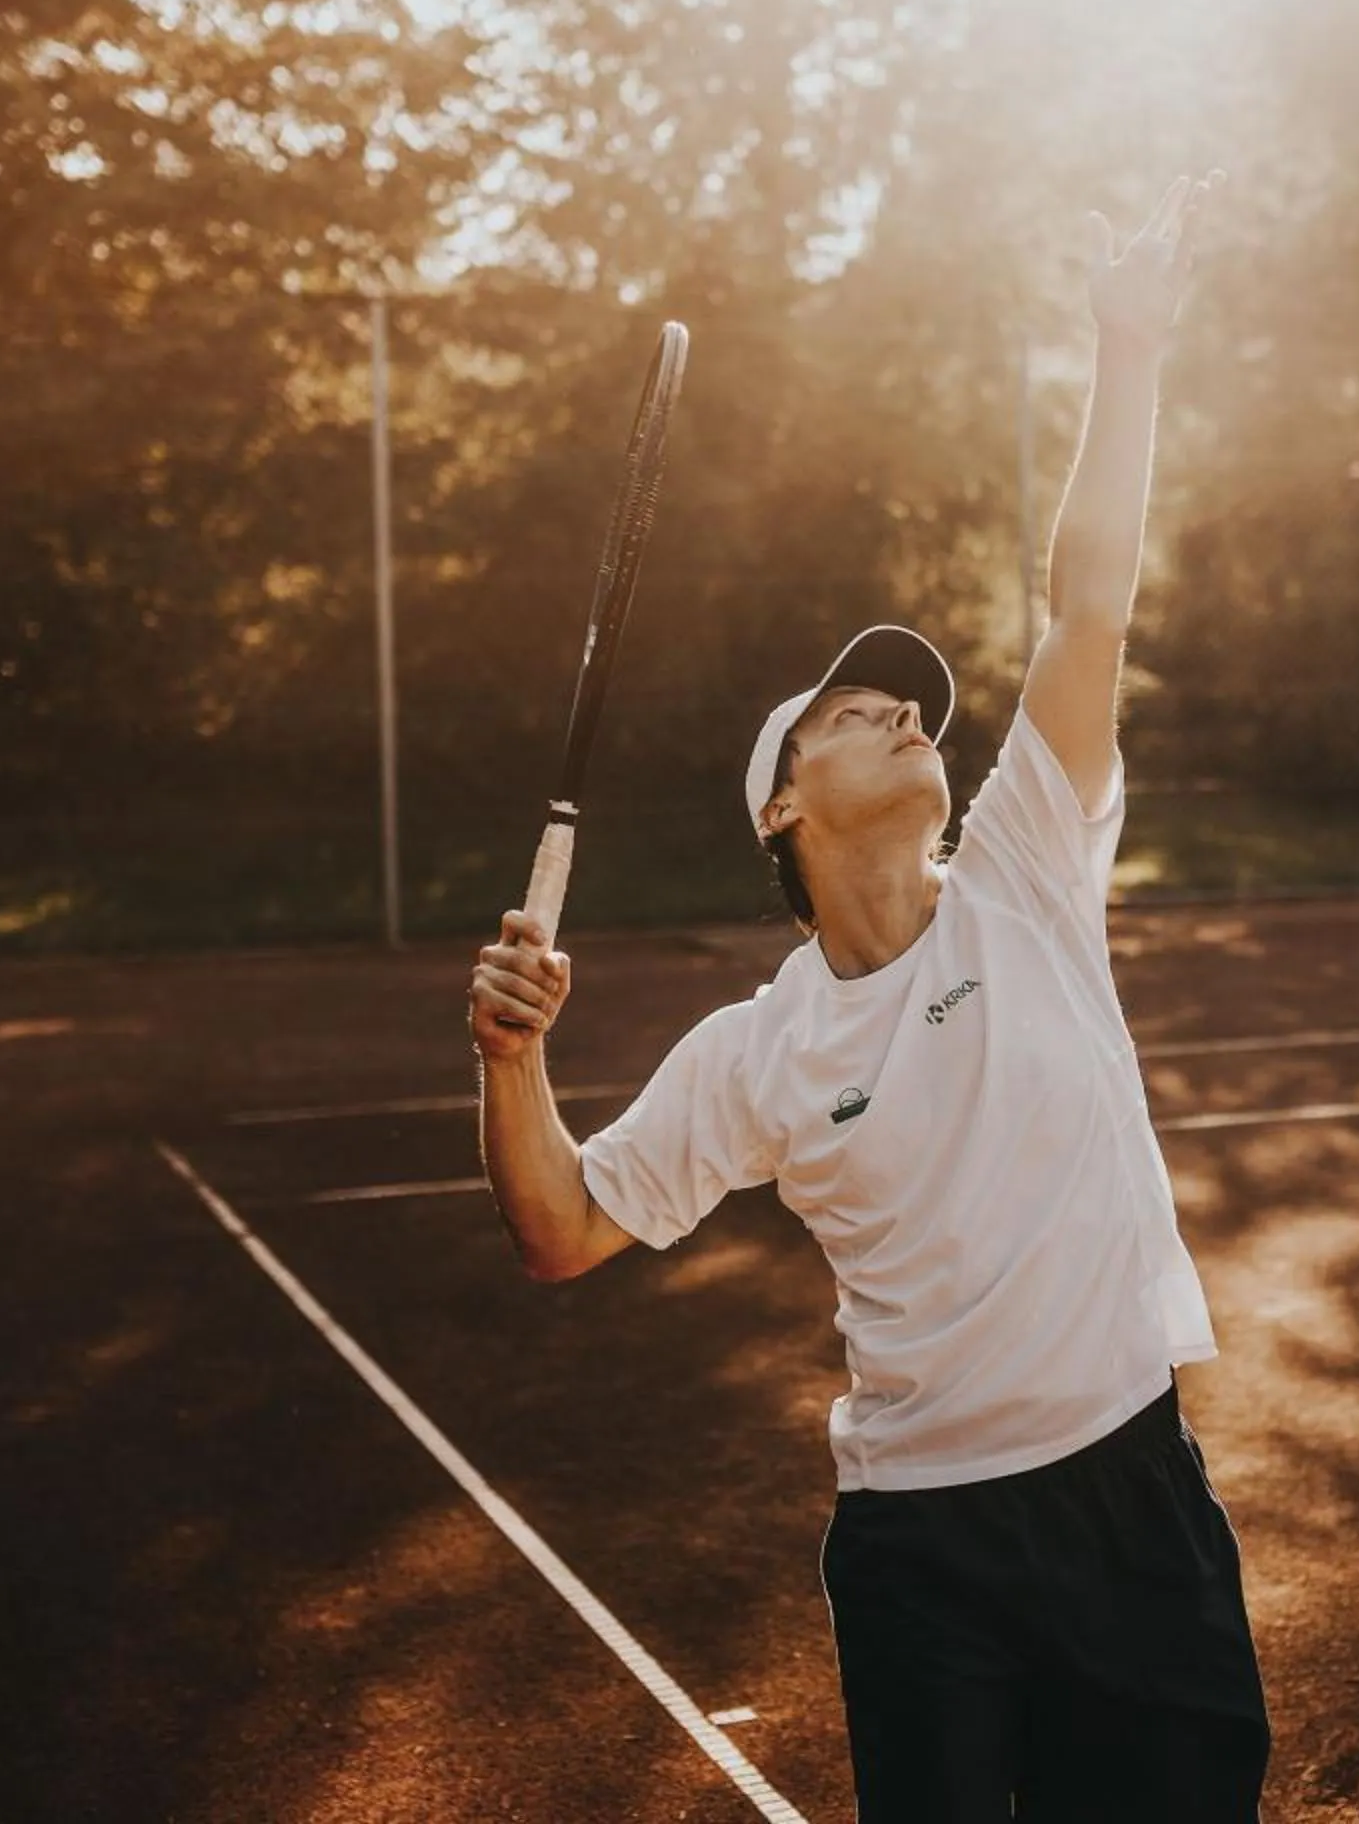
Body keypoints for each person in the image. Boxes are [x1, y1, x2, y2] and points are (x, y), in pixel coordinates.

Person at [467, 173, 1266, 1821]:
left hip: (1131, 1495)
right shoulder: (755, 1052)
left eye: (912, 705)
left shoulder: (1031, 871)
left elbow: (1092, 598)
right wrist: (510, 1056)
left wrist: (1128, 346)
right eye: (854, 709)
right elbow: (559, 1228)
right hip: (924, 1549)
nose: (908, 714)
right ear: (781, 803)